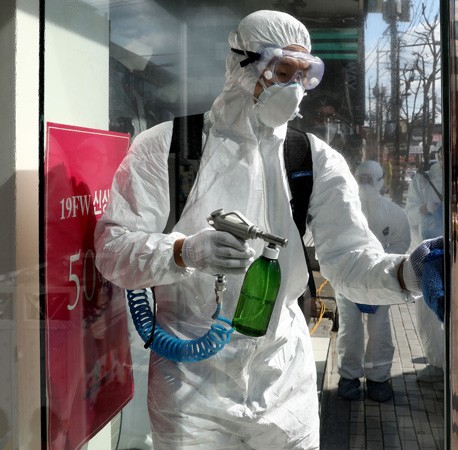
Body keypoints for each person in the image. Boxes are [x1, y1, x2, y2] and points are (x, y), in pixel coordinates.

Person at [94, 11, 422, 449]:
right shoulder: (168, 148)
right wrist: (182, 252)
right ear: (241, 65)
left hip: (283, 381)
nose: (294, 88)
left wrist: (406, 273)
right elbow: (113, 250)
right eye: (282, 71)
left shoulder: (313, 160)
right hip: (190, 388)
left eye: (304, 76)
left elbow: (348, 260)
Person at [336, 161, 411, 402]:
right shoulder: (345, 209)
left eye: (370, 179)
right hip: (353, 277)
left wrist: (383, 262)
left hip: (374, 278)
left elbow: (401, 242)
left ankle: (375, 377)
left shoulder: (390, 212)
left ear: (379, 182)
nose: (366, 185)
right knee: (351, 329)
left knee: (375, 330)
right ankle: (354, 376)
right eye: (363, 179)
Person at [404, 143, 445, 382]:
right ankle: (435, 362)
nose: (444, 157)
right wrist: (424, 209)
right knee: (427, 309)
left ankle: (457, 362)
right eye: (441, 153)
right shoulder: (422, 180)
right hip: (430, 250)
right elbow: (409, 213)